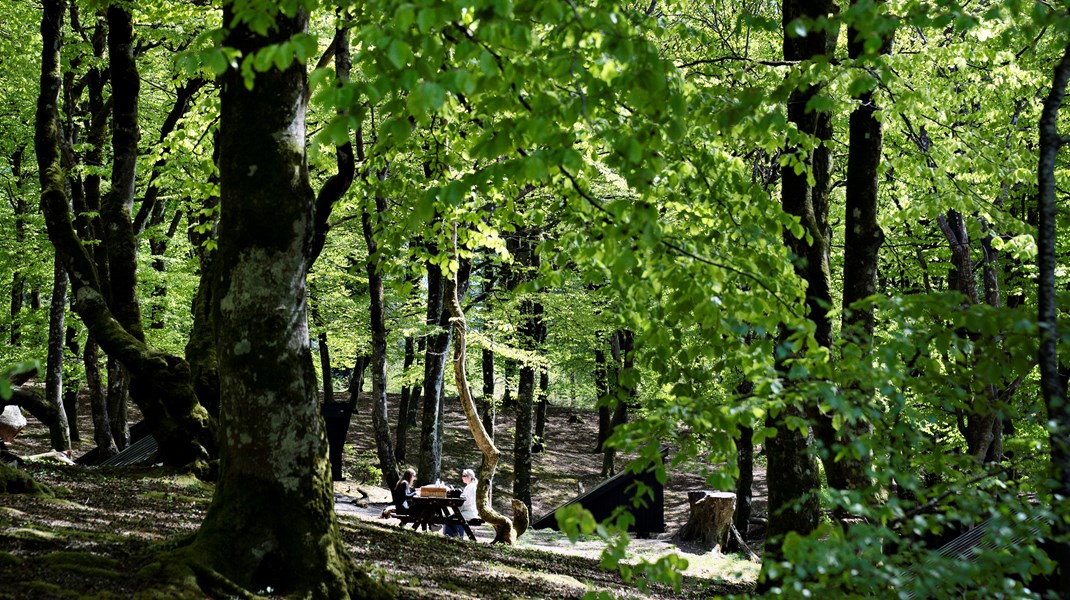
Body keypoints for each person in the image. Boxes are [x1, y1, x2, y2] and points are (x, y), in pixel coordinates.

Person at [443, 468, 478, 538]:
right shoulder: (470, 486)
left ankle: (454, 536)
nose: (462, 477)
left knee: (449, 519)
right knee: (449, 518)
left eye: (464, 476)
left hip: (469, 512)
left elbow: (467, 502)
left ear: (469, 477)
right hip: (468, 510)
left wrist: (459, 499)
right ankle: (456, 535)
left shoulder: (471, 487)